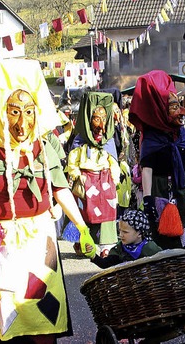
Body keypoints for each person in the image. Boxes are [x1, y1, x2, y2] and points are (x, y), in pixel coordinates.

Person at [0, 59, 96, 342]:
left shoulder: (43, 147)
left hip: (40, 243)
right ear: (1, 111)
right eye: (14, 112)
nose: (22, 123)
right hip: (0, 242)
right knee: (2, 317)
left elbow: (60, 187)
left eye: (29, 112)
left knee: (41, 314)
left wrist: (82, 227)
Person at [129, 70, 185, 249]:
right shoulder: (151, 133)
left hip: (182, 187)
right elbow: (147, 167)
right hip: (159, 189)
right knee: (163, 235)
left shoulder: (179, 128)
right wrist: (147, 199)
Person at [66, 92, 120, 256]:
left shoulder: (108, 140)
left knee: (107, 209)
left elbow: (113, 162)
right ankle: (83, 242)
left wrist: (114, 178)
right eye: (97, 118)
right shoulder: (80, 140)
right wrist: (76, 175)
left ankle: (106, 246)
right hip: (86, 180)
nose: (101, 123)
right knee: (84, 211)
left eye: (104, 118)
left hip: (104, 179)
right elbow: (72, 161)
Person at [85, 210, 162, 268]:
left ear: (140, 233)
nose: (121, 235)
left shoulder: (150, 248)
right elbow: (106, 264)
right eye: (120, 231)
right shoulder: (120, 248)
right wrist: (93, 255)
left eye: (125, 232)